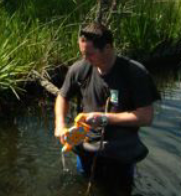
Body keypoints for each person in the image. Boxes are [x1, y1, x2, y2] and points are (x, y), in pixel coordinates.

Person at [54, 22, 160, 185]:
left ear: (108, 48)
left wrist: (105, 119)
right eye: (82, 53)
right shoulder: (80, 69)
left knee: (121, 191)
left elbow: (146, 117)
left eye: (90, 54)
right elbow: (62, 97)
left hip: (121, 149)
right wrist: (60, 124)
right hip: (87, 144)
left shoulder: (134, 73)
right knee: (85, 183)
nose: (85, 59)